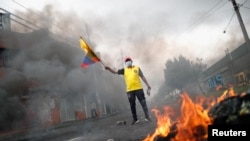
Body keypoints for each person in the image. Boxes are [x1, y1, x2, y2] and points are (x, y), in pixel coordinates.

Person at [105, 57, 152, 125]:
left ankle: (147, 117)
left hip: (139, 89)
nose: (128, 62)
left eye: (129, 61)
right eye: (126, 61)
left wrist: (148, 85)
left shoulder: (137, 68)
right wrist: (109, 69)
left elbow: (142, 77)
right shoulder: (124, 70)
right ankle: (135, 119)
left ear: (131, 61)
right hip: (130, 90)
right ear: (125, 63)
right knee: (132, 105)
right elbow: (115, 72)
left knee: (143, 103)